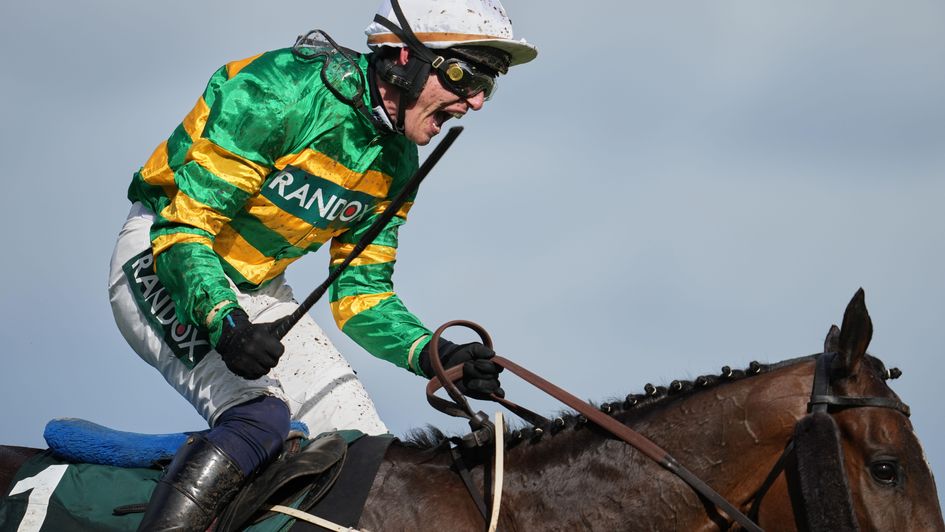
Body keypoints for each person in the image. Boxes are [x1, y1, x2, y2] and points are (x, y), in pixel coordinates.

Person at [107, 0, 537, 529]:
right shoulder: (278, 90)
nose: (474, 102)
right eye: (463, 76)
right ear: (403, 59)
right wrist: (223, 319)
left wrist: (434, 354)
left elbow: (362, 296)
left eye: (486, 86)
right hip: (161, 261)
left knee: (364, 455)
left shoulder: (399, 159)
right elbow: (184, 229)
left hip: (261, 290)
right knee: (258, 417)